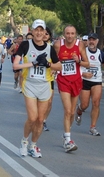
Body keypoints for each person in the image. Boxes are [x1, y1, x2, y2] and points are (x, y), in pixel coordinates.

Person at [13, 19, 61, 158]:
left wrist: (47, 64)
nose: (39, 33)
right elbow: (16, 66)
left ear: (45, 32)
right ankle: (24, 141)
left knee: (40, 120)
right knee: (32, 117)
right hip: (29, 84)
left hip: (44, 85)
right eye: (36, 30)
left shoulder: (50, 48)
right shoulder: (25, 45)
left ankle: (33, 146)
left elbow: (59, 66)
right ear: (32, 31)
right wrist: (33, 63)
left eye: (42, 30)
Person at [54, 25, 89, 153]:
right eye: (67, 33)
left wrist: (78, 60)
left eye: (72, 33)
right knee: (68, 110)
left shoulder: (80, 45)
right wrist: (55, 68)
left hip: (76, 80)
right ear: (64, 34)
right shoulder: (58, 45)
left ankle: (66, 134)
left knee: (73, 112)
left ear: (75, 34)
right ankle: (68, 140)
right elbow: (53, 61)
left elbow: (87, 63)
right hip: (63, 80)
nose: (70, 36)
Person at [75, 33, 104, 136]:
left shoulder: (100, 53)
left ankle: (93, 127)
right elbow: (75, 65)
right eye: (90, 40)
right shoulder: (82, 52)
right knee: (85, 104)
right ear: (87, 41)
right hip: (84, 80)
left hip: (96, 80)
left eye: (93, 40)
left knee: (96, 103)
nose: (91, 41)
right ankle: (79, 109)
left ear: (97, 41)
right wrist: (83, 73)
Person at [42, 27, 54, 131]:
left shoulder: (52, 48)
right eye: (43, 33)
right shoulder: (33, 46)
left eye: (47, 34)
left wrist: (54, 68)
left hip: (49, 78)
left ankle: (43, 120)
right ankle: (37, 119)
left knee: (49, 102)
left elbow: (58, 62)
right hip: (36, 79)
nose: (45, 35)